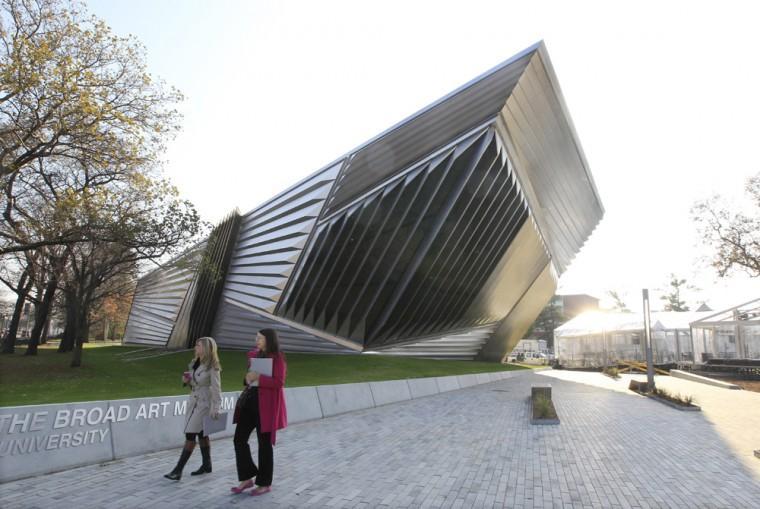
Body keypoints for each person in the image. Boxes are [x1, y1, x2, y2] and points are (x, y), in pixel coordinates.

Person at [231, 328, 287, 496]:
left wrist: (259, 378)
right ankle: (247, 477)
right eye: (256, 337)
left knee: (264, 445)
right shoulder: (253, 355)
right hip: (249, 403)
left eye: (260, 338)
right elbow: (249, 378)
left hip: (266, 407)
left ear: (269, 340)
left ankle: (264, 483)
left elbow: (279, 382)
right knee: (239, 439)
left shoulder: (278, 358)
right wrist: (247, 378)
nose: (257, 340)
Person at [164, 336, 222, 481]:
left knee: (190, 433)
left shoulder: (213, 366)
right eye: (196, 345)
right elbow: (194, 382)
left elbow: (217, 388)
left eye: (199, 345)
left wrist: (216, 407)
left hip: (204, 403)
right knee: (201, 433)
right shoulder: (194, 363)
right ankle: (207, 465)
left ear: (207, 348)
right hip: (193, 400)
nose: (196, 347)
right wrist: (187, 381)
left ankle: (178, 470)